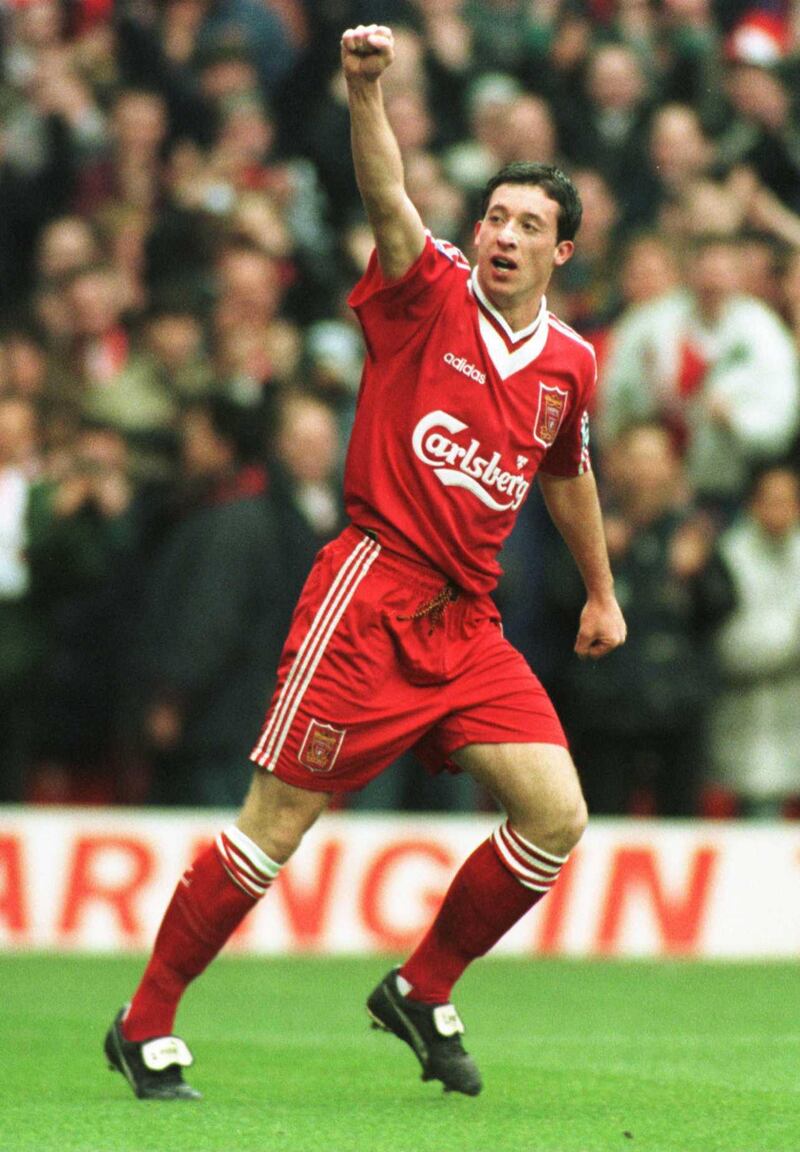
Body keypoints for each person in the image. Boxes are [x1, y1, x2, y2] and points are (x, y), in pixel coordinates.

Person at [103, 24, 626, 1102]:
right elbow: (388, 198)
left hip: (465, 622)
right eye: (494, 216)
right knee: (275, 829)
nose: (504, 236)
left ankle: (421, 988)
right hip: (369, 592)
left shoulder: (568, 364)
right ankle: (143, 1023)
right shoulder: (424, 286)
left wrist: (600, 591)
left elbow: (563, 472)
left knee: (554, 816)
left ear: (561, 251)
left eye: (529, 225)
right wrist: (363, 91)